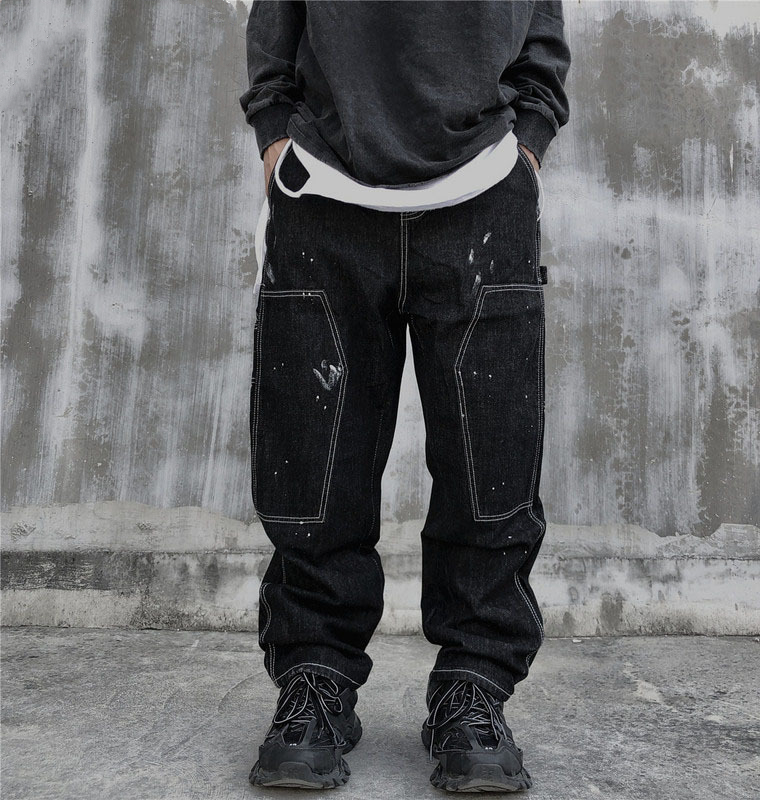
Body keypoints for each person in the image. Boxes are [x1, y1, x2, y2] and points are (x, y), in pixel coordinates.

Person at [238, 0, 570, 792]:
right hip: (323, 196)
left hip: (483, 192)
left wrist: (526, 145)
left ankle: (473, 690)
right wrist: (277, 136)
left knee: (491, 470)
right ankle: (314, 682)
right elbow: (275, 32)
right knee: (312, 470)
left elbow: (542, 40)